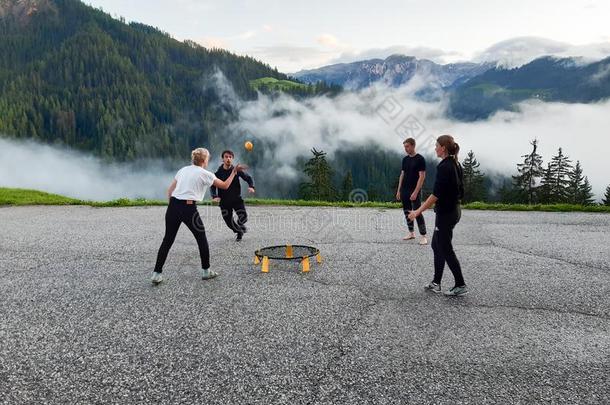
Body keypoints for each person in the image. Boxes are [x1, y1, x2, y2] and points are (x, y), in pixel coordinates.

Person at [151, 147, 245, 285]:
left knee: (168, 240)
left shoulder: (183, 170)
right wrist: (234, 172)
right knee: (201, 239)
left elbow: (170, 191)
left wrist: (174, 207)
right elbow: (224, 186)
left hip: (173, 206)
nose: (208, 160)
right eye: (208, 158)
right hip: (189, 208)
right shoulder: (206, 174)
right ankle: (206, 271)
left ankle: (156, 274)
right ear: (203, 160)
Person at [408, 135, 468, 296]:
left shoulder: (444, 166)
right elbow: (460, 191)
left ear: (443, 148)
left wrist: (417, 211)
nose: (435, 148)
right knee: (437, 245)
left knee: (446, 248)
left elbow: (435, 196)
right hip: (454, 210)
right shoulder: (456, 164)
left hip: (446, 214)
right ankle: (436, 282)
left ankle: (460, 284)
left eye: (436, 145)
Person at [210, 150, 255, 241]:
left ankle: (240, 224)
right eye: (226, 157)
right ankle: (239, 231)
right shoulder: (217, 173)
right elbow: (212, 186)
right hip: (224, 202)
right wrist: (214, 196)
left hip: (236, 200)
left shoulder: (236, 170)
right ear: (223, 159)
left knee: (243, 218)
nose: (228, 159)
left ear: (232, 159)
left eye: (230, 157)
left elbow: (248, 178)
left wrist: (251, 186)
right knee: (229, 223)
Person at [396, 137, 427, 245]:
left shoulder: (420, 159)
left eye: (407, 146)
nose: (405, 148)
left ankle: (423, 236)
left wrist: (416, 192)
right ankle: (411, 232)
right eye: (404, 147)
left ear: (413, 145)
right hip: (404, 189)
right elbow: (402, 174)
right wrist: (399, 190)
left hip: (414, 190)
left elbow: (422, 176)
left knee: (417, 213)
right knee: (407, 212)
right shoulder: (405, 159)